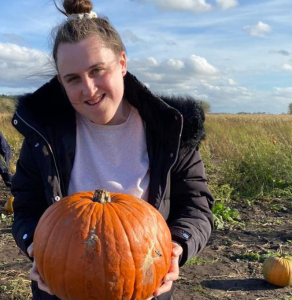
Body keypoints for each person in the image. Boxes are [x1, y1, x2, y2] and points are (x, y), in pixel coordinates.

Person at [11, 0, 214, 299]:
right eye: (73, 79)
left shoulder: (170, 129)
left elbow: (196, 207)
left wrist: (177, 246)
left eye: (97, 70)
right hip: (62, 287)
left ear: (122, 63)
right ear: (60, 82)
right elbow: (26, 207)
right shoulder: (43, 134)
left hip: (143, 285)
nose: (89, 89)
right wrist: (35, 247)